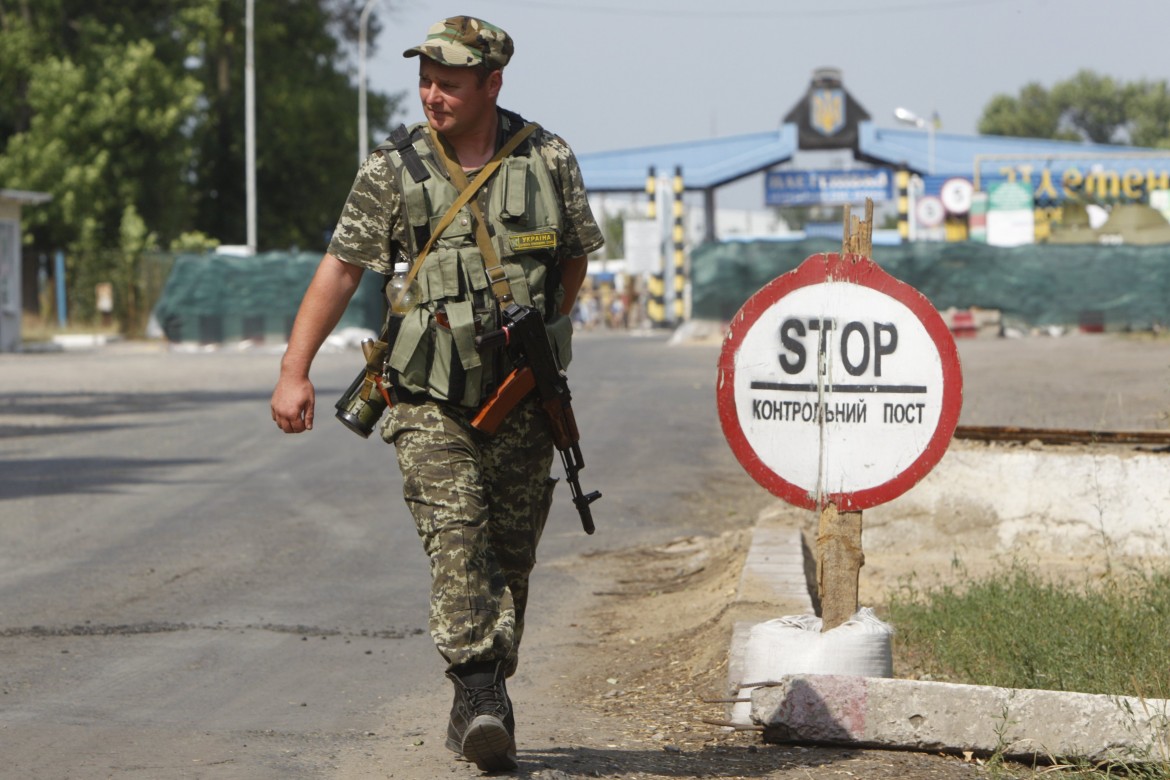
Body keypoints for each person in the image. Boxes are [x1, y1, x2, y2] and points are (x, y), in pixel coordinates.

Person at [270, 15, 603, 773]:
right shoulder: (392, 168)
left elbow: (574, 263)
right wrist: (295, 369)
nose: (432, 96)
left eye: (448, 84)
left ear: (492, 84)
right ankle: (483, 695)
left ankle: (478, 697)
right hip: (425, 399)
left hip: (521, 398)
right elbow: (341, 268)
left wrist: (536, 333)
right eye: (425, 81)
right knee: (457, 540)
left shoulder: (547, 158)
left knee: (508, 560)